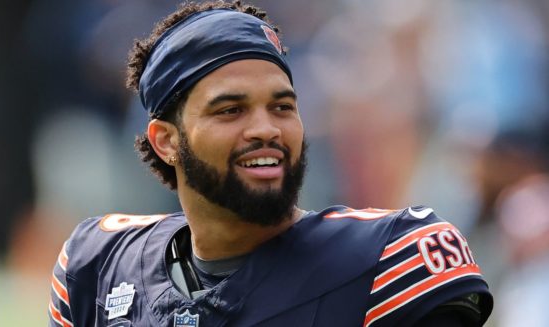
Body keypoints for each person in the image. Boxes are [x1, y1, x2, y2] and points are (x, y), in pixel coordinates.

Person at [48, 1, 493, 326]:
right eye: (230, 110)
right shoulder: (99, 268)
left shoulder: (391, 260)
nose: (266, 128)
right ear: (166, 141)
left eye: (282, 107)